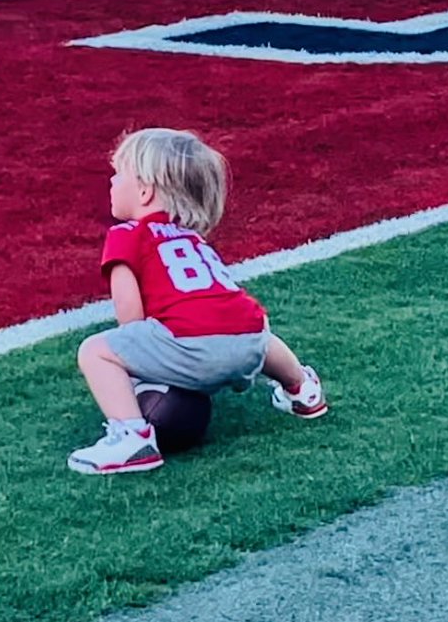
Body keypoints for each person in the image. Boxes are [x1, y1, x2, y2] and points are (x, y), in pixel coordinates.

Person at [69, 128, 327, 475]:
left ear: (145, 191)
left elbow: (130, 318)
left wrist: (142, 370)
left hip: (192, 344)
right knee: (250, 324)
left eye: (118, 174)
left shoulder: (126, 235)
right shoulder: (193, 238)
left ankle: (132, 438)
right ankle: (302, 389)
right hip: (251, 341)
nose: (111, 182)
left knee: (95, 351)